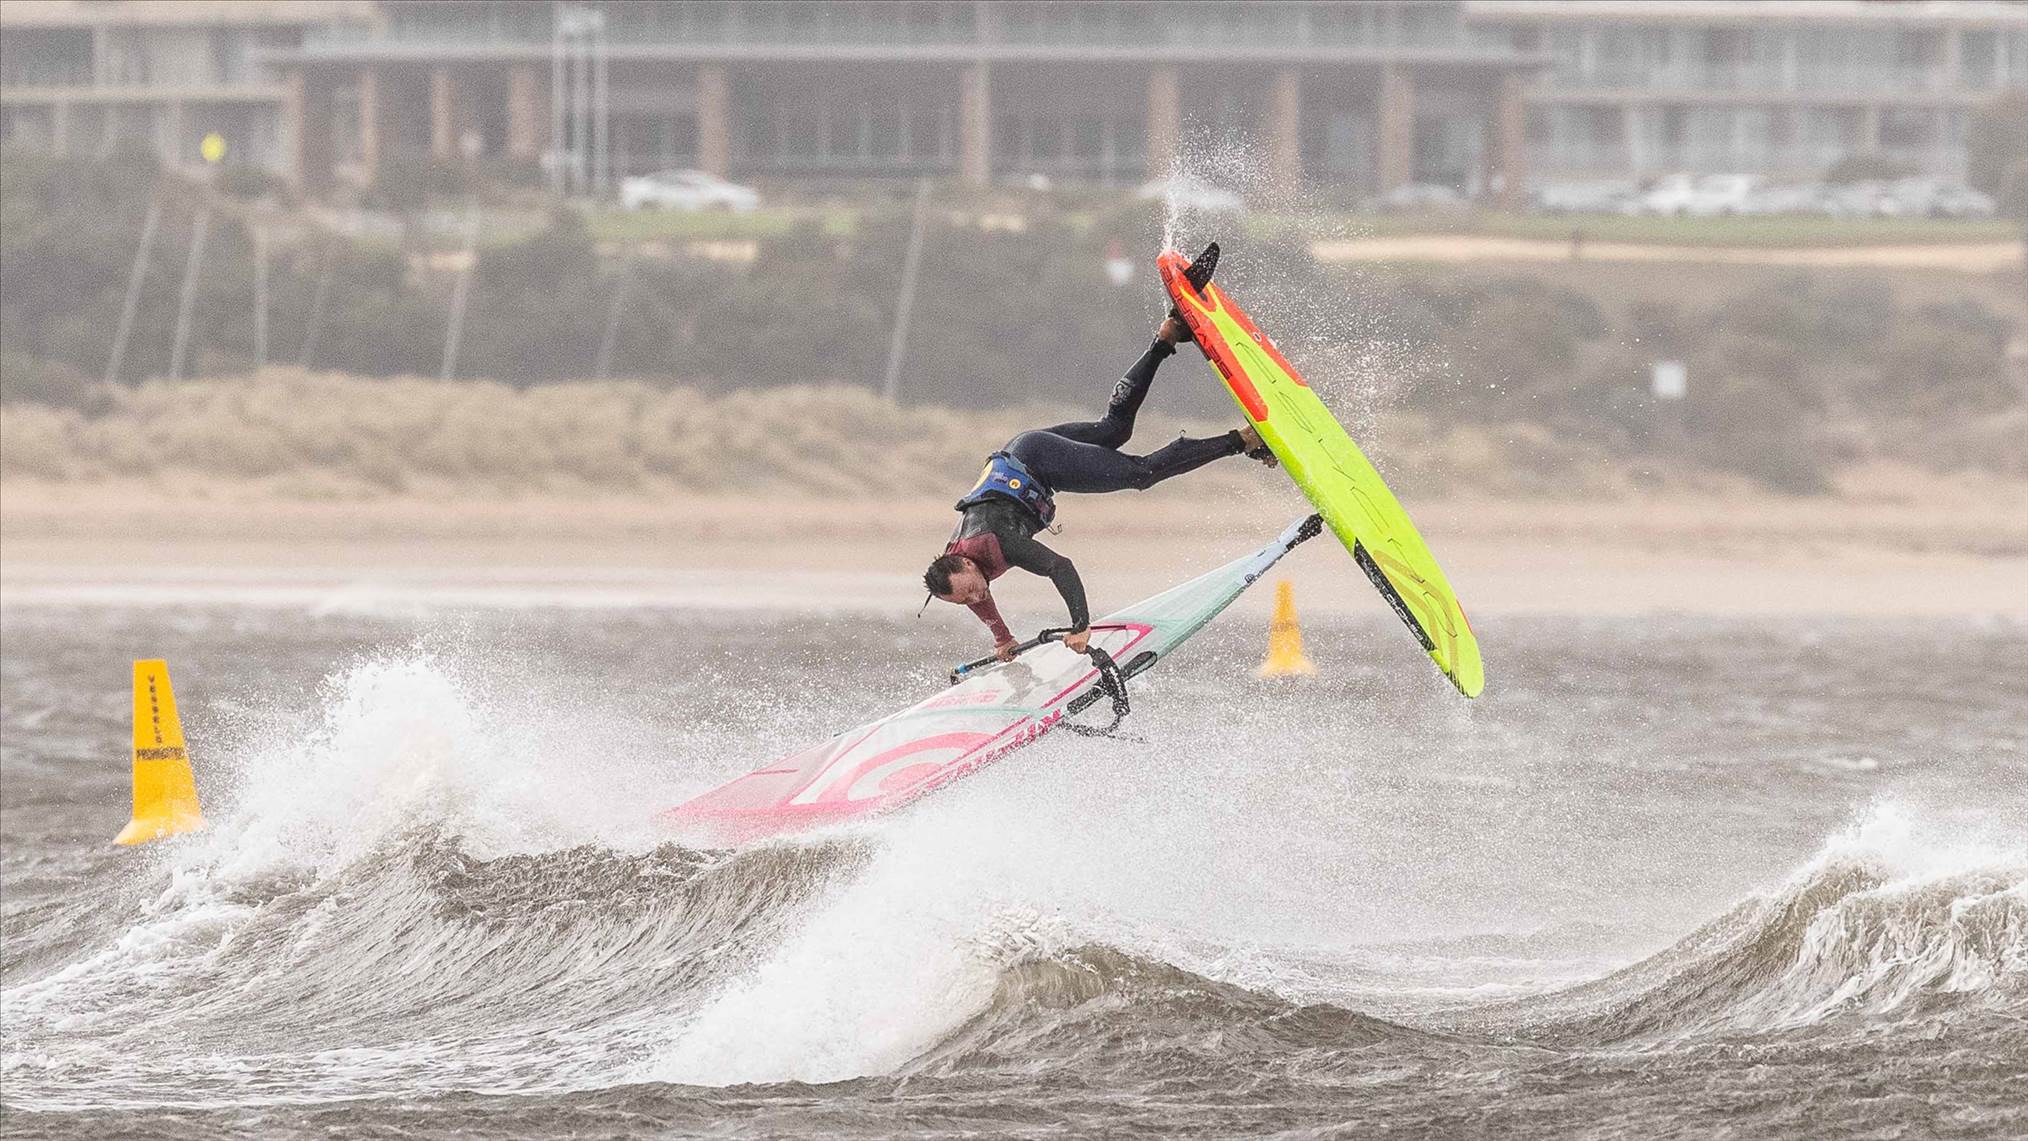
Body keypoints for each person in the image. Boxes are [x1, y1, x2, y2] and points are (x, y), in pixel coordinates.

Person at [922, 312, 1274, 659]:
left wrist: (1080, 625)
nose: (974, 598)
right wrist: (1002, 638)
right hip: (1023, 449)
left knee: (1141, 474)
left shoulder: (998, 543)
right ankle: (1166, 338)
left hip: (1040, 462)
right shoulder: (961, 568)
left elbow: (1060, 567)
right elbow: (978, 600)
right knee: (1114, 430)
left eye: (969, 591)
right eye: (963, 601)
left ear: (965, 564)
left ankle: (1243, 441)